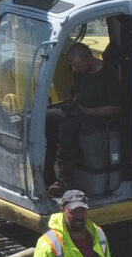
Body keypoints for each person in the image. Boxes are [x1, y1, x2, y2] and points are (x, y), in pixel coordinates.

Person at [50, 42, 122, 188]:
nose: (75, 70)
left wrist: (91, 111)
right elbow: (79, 93)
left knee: (67, 128)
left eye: (78, 66)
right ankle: (46, 174)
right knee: (49, 118)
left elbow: (115, 108)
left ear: (89, 59)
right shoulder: (79, 73)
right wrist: (72, 104)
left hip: (101, 117)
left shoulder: (109, 75)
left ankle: (67, 175)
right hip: (81, 111)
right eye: (72, 67)